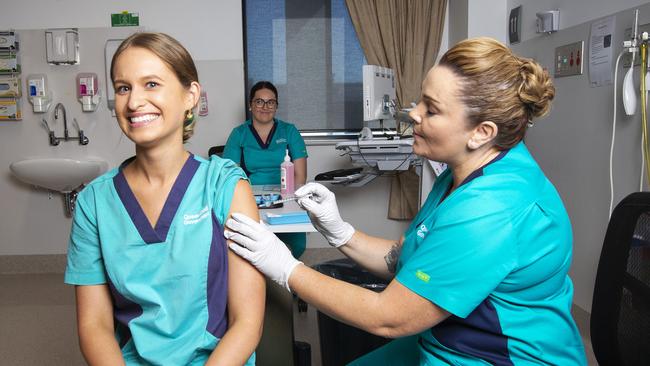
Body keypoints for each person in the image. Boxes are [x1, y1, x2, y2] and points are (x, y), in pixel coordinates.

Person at [224, 37, 588, 365]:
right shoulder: (460, 173)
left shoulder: (492, 208)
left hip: (492, 357)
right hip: (443, 342)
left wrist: (285, 267)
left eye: (431, 109)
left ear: (481, 133)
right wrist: (340, 232)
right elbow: (406, 256)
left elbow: (389, 315)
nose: (413, 114)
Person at [64, 32, 265, 365]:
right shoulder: (94, 203)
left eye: (152, 84)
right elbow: (94, 324)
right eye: (123, 87)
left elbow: (247, 323)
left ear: (190, 96)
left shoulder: (225, 186)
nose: (133, 102)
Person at [223, 81, 308, 258]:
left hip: (286, 197)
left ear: (276, 106)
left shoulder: (289, 131)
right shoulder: (239, 134)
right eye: (259, 101)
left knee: (296, 245)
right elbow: (229, 177)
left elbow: (300, 177)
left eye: (271, 102)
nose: (265, 106)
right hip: (250, 198)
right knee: (248, 244)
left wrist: (290, 201)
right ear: (250, 105)